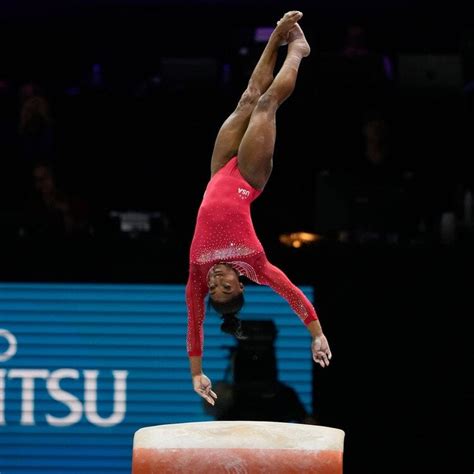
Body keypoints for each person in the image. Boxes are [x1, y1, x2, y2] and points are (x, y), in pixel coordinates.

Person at [185, 11, 332, 407]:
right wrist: (316, 333)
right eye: (225, 286)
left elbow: (194, 325)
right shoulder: (255, 263)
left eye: (213, 288)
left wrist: (197, 373)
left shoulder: (197, 275)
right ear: (240, 284)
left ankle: (279, 37)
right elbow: (291, 292)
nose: (216, 281)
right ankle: (297, 52)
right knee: (266, 105)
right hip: (249, 177)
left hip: (218, 172)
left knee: (248, 96)